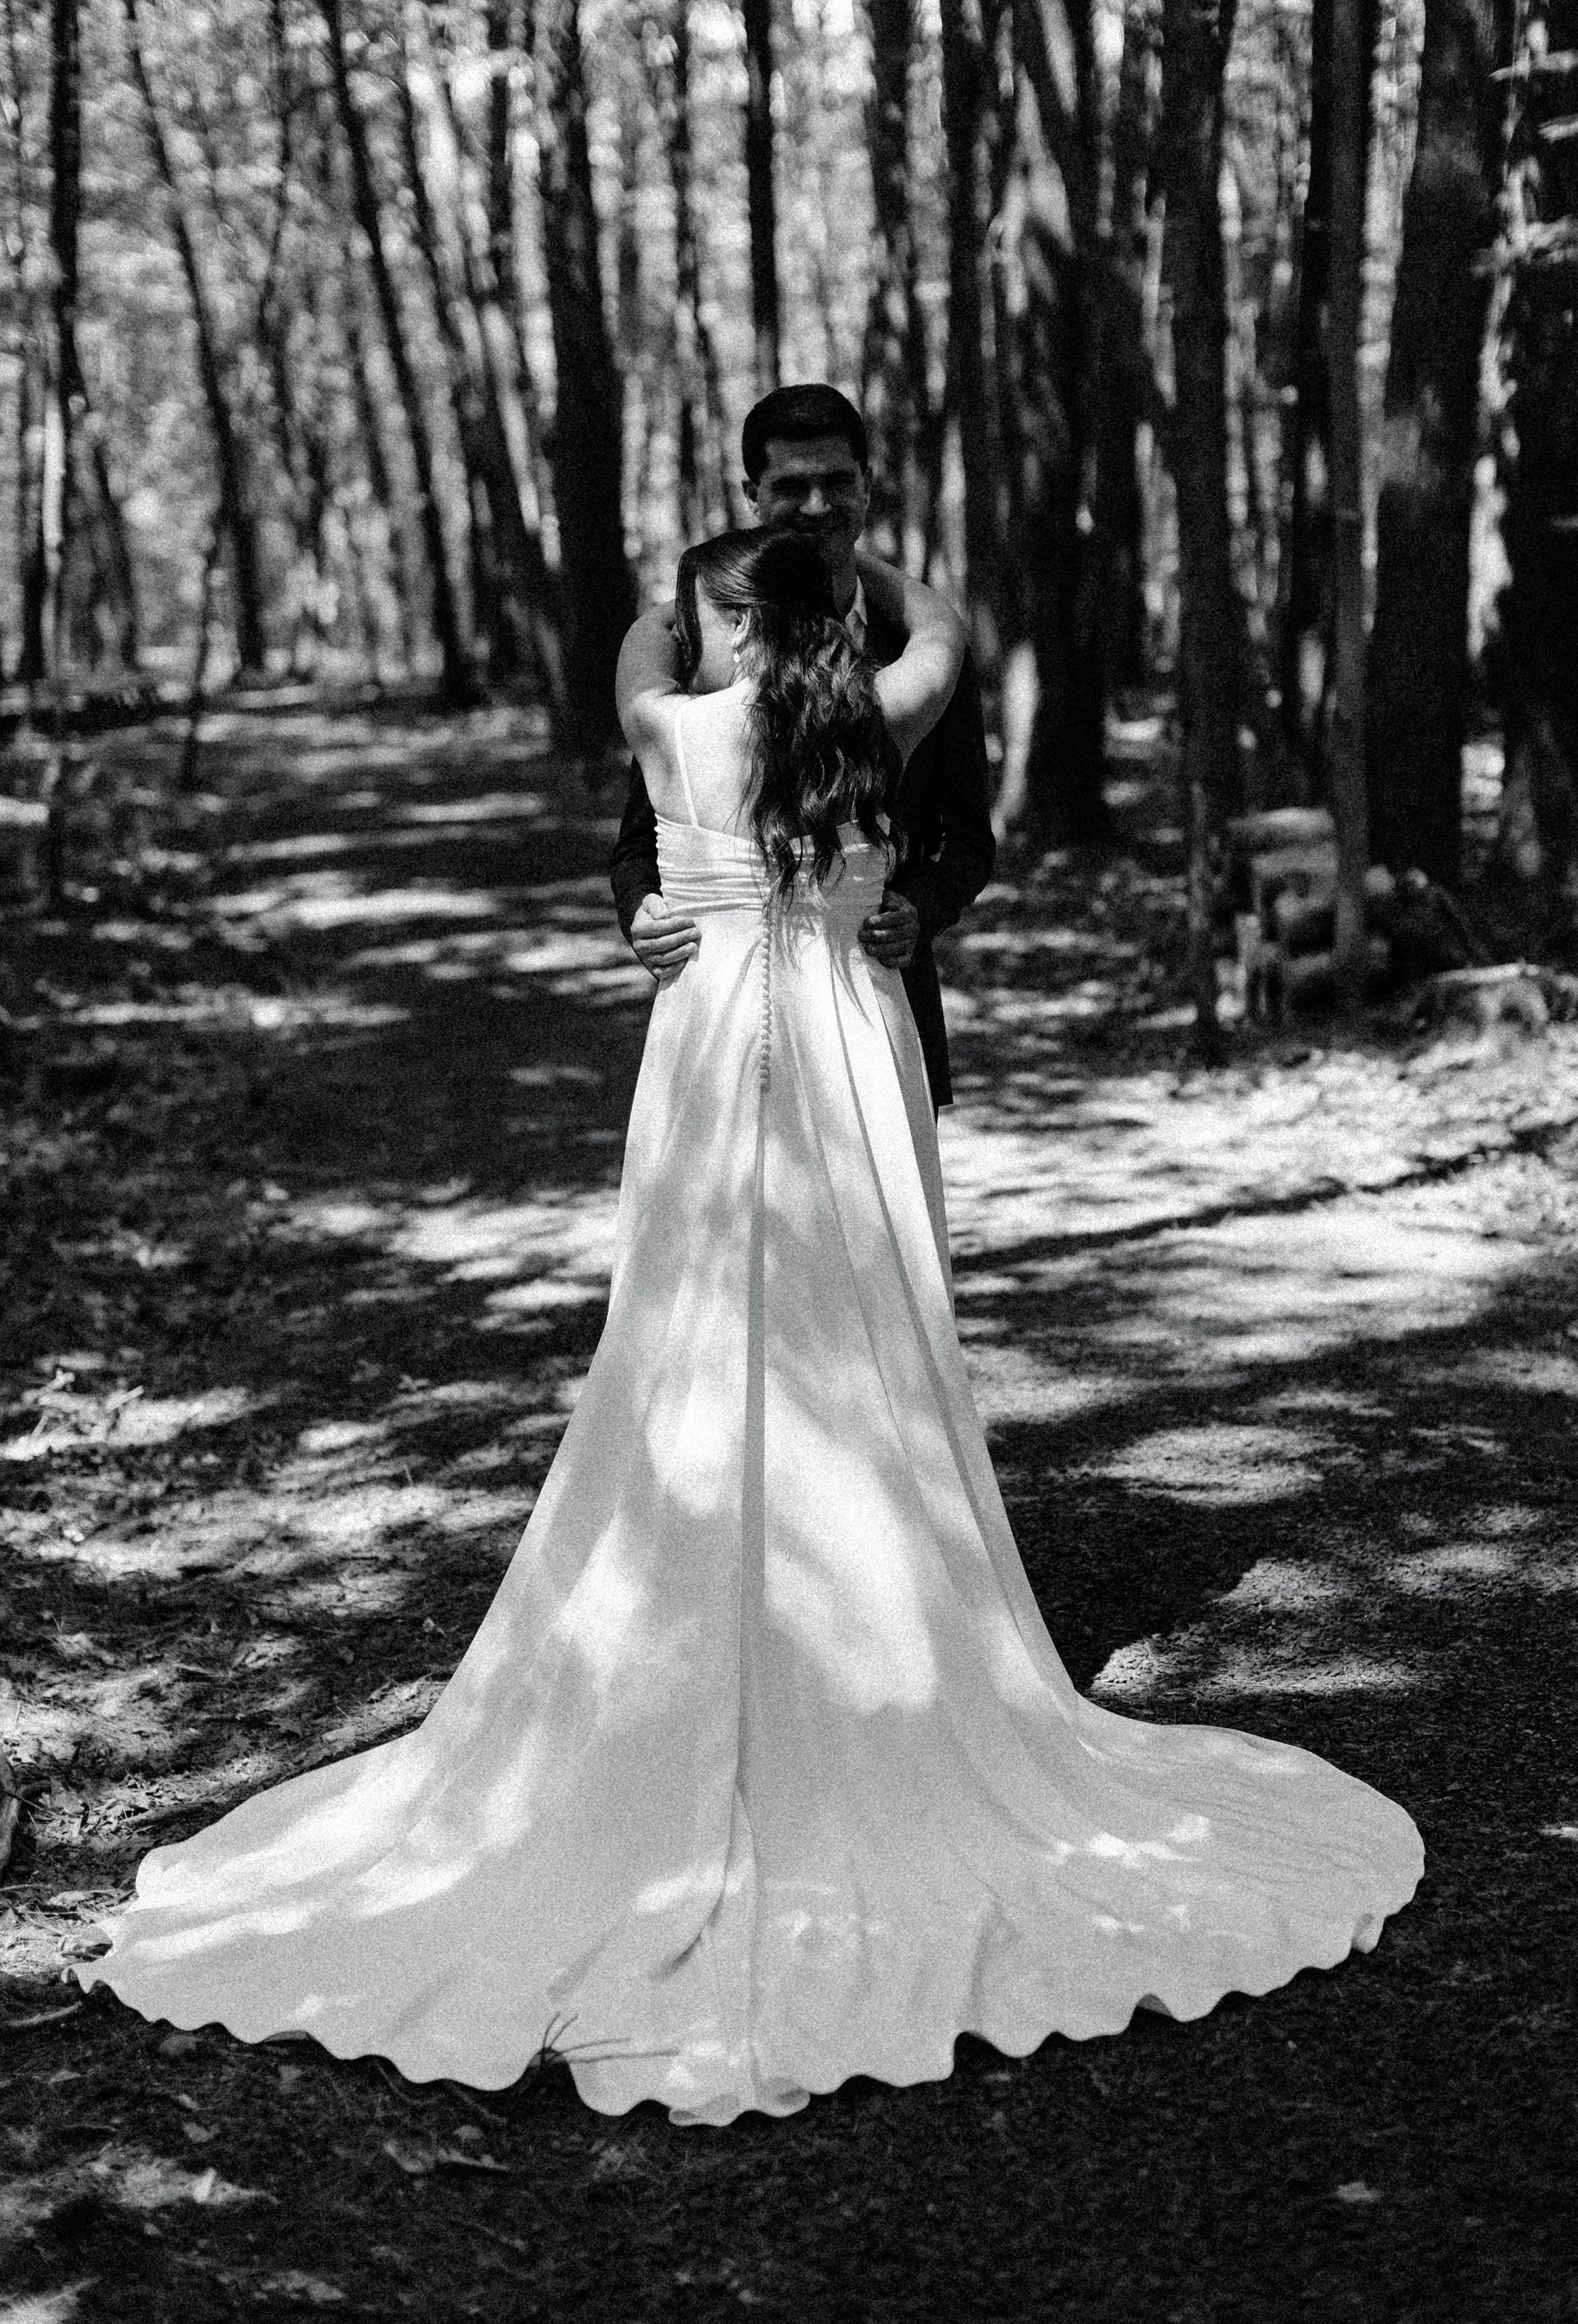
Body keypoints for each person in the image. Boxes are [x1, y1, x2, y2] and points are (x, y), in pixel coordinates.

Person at [75, 517, 1422, 2128]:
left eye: (715, 618)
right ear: (832, 625)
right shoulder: (877, 722)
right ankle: (881, 1647)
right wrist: (866, 575)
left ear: (728, 622)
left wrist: (702, 610)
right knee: (868, 1342)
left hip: (712, 1053)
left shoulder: (674, 725)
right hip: (851, 1051)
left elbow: (635, 659)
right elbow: (946, 630)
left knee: (691, 1337)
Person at [610, 383, 994, 1110]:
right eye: (791, 486)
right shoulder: (694, 652)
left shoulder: (906, 650)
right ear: (752, 494)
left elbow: (969, 839)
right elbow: (637, 843)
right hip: (721, 1019)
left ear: (867, 485)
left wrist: (922, 910)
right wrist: (640, 909)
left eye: (838, 482)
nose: (818, 506)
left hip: (880, 999)